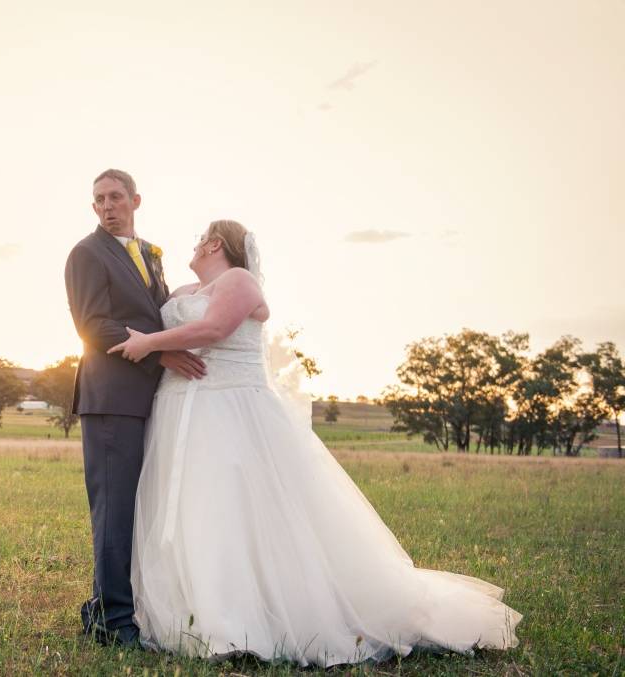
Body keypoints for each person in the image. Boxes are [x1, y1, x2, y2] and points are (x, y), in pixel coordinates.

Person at [109, 219, 522, 667]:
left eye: (198, 238)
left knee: (234, 510)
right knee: (194, 511)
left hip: (230, 412)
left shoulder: (239, 281)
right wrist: (156, 346)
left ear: (214, 243)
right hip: (177, 413)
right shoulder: (179, 292)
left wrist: (150, 343)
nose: (193, 246)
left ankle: (240, 621)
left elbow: (213, 330)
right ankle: (192, 612)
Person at [63, 169, 207, 647]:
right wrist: (160, 352)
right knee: (114, 510)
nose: (108, 205)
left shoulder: (149, 253)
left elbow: (157, 311)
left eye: (116, 197)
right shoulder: (86, 254)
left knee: (139, 508)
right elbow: (92, 326)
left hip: (150, 397)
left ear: (135, 200)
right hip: (112, 400)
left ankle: (101, 606)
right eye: (100, 199)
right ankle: (115, 622)